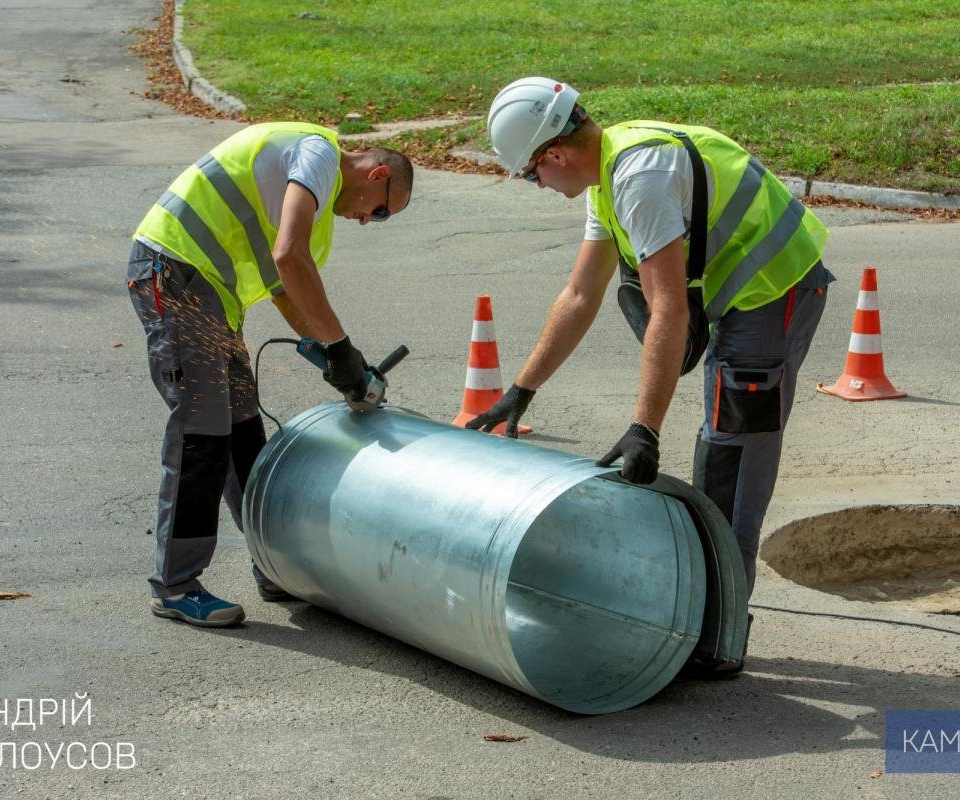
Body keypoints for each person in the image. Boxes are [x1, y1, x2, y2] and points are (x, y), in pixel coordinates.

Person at [472, 77, 832, 675]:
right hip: (731, 294)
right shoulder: (608, 174)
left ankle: (721, 634)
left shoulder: (639, 180)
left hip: (774, 286)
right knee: (718, 445)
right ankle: (707, 612)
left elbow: (669, 308)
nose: (539, 187)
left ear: (554, 154)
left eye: (531, 175)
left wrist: (645, 428)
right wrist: (523, 388)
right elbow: (580, 294)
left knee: (732, 454)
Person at [127, 122, 413, 627]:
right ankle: (174, 586)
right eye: (382, 209)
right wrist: (340, 348)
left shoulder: (317, 218)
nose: (371, 220)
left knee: (241, 432)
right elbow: (288, 256)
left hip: (212, 296)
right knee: (202, 433)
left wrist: (339, 361)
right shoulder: (318, 154)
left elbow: (287, 289)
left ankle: (272, 563)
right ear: (378, 173)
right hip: (173, 270)